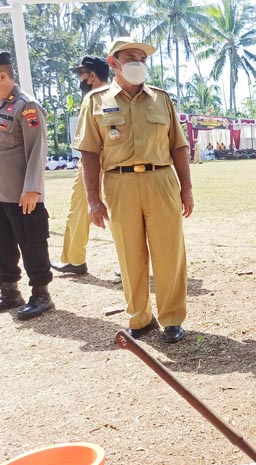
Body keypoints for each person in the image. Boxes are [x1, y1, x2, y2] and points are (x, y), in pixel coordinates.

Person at [72, 37, 193, 344]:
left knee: (169, 252)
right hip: (119, 183)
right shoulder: (96, 101)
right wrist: (93, 200)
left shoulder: (161, 99)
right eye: (131, 57)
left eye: (142, 57)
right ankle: (140, 318)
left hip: (161, 180)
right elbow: (89, 152)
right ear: (113, 62)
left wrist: (187, 189)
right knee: (130, 253)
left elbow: (178, 146)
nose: (139, 62)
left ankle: (172, 319)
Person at [0, 50, 55, 320]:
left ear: (2, 76)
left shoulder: (26, 106)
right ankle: (9, 291)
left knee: (32, 243)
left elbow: (37, 148)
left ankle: (41, 295)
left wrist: (32, 187)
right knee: (3, 245)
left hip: (24, 194)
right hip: (1, 194)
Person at [51, 56, 111, 276]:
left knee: (79, 209)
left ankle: (75, 259)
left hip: (96, 162)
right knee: (125, 212)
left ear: (91, 75)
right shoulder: (118, 95)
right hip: (115, 162)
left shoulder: (93, 98)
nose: (80, 79)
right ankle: (76, 259)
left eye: (81, 74)